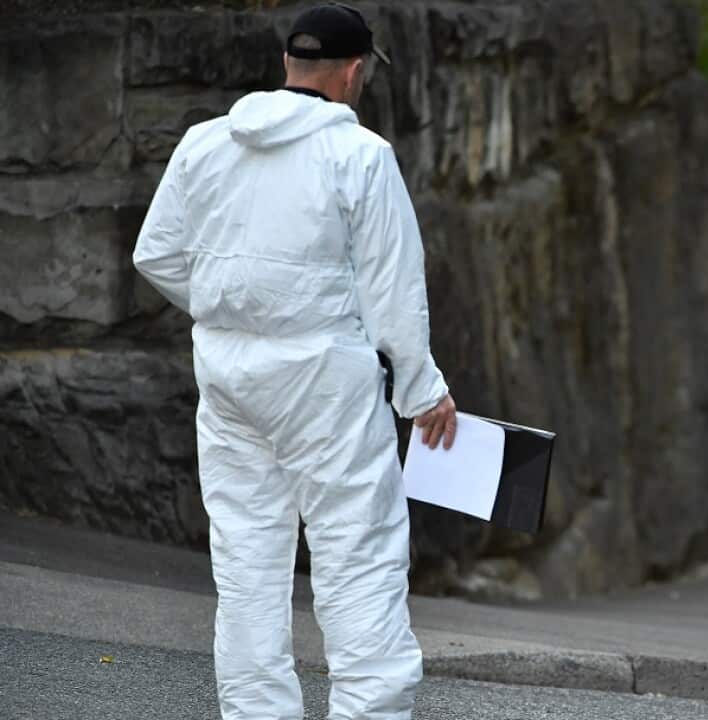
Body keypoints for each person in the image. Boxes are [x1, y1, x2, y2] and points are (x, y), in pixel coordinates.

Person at [133, 3, 457, 718]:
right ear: (353, 71)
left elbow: (153, 253)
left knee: (247, 564)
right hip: (325, 387)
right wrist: (423, 394)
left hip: (229, 383)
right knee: (358, 560)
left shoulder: (203, 144)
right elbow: (394, 293)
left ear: (287, 64)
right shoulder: (362, 156)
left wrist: (229, 307)